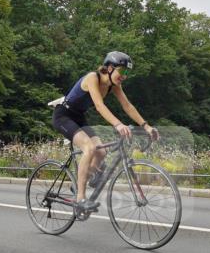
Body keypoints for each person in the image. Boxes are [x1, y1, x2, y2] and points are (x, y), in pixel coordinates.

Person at [52, 51, 158, 213]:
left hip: (79, 118)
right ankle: (80, 198)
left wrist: (146, 126)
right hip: (63, 116)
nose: (124, 76)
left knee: (101, 152)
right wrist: (118, 125)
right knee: (89, 148)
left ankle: (82, 181)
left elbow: (127, 106)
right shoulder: (92, 78)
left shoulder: (114, 85)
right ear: (109, 68)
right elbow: (99, 106)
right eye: (122, 71)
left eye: (127, 73)